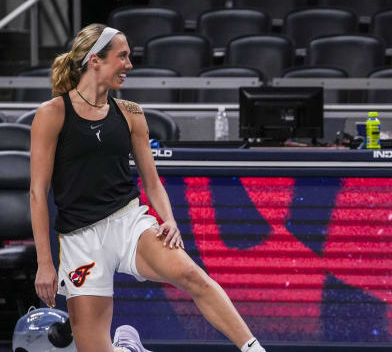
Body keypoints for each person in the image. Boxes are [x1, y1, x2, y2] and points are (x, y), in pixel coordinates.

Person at [30, 23, 267, 352]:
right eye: (122, 56)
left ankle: (254, 349)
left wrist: (168, 219)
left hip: (129, 222)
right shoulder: (51, 113)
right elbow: (37, 194)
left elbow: (152, 181)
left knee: (193, 276)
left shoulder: (131, 113)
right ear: (95, 60)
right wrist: (45, 262)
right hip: (80, 238)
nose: (129, 65)